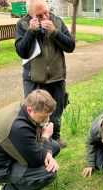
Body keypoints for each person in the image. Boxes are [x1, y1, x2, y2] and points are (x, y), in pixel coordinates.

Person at [0, 90, 60, 190]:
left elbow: (39, 143)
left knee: (54, 147)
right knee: (48, 173)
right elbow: (36, 160)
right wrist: (45, 136)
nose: (47, 121)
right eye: (43, 117)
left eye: (48, 116)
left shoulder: (26, 106)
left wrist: (48, 153)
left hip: (9, 152)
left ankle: (22, 179)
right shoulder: (18, 127)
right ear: (30, 110)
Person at [15, 0, 76, 148]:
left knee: (56, 111)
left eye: (46, 12)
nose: (45, 17)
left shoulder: (57, 22)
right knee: (35, 112)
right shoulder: (22, 25)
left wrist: (55, 32)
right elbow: (21, 51)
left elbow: (70, 46)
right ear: (30, 14)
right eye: (39, 15)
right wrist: (31, 31)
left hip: (57, 77)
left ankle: (55, 138)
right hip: (34, 79)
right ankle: (37, 141)